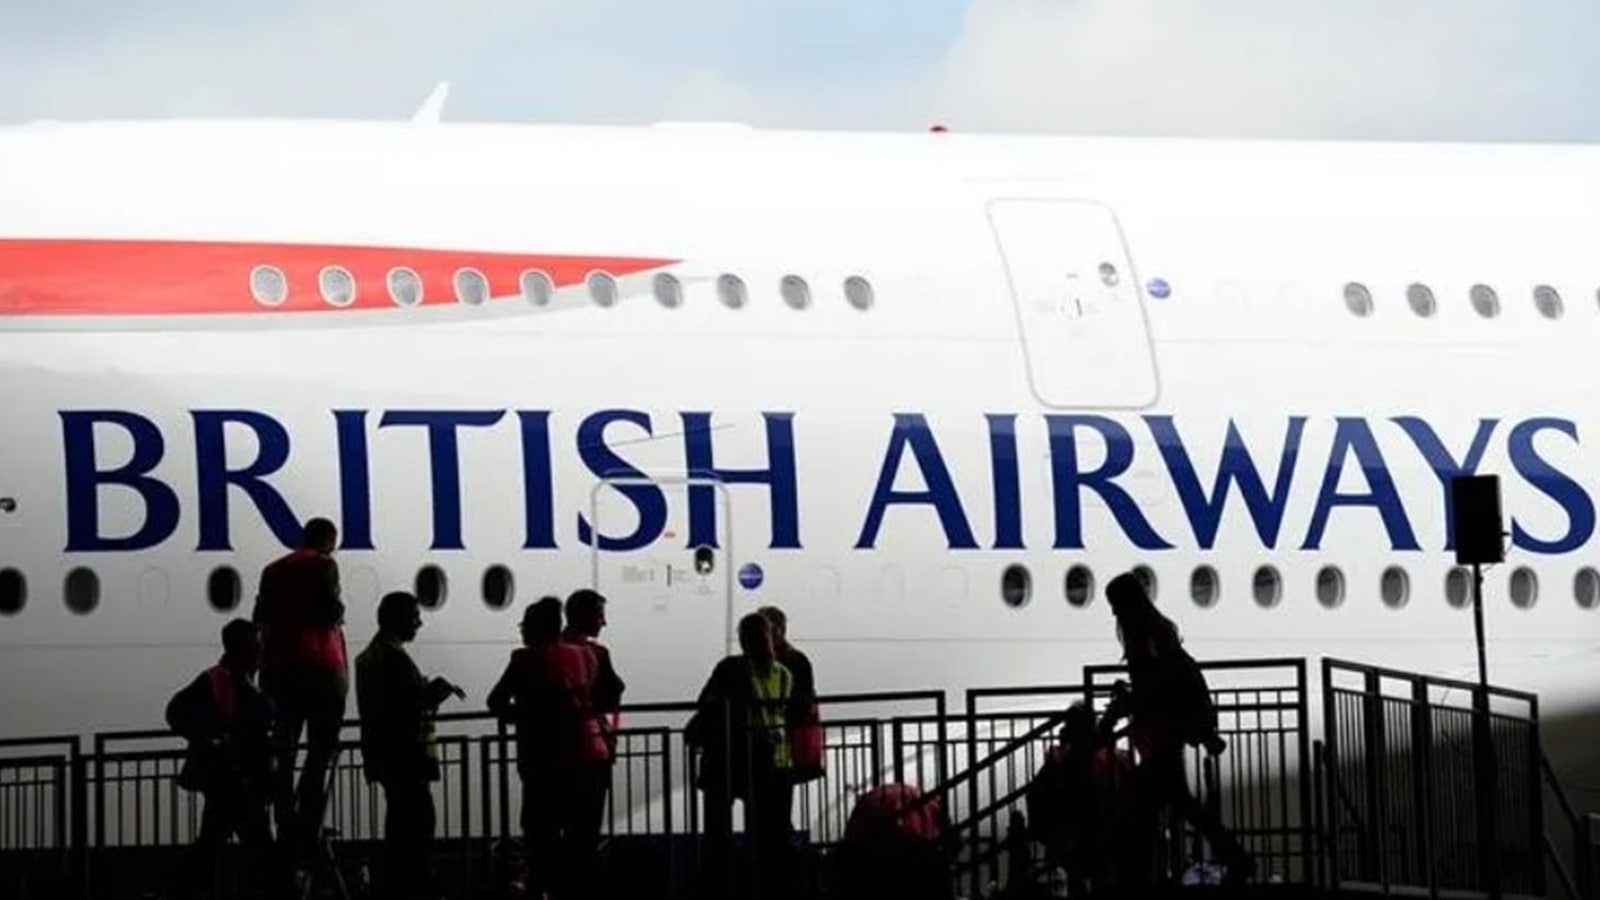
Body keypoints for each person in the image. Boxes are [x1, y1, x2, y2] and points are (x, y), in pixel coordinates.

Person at [1096, 571, 1255, 886]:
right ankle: (1235, 859)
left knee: (1147, 810)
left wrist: (1127, 702)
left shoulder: (1146, 637)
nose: (1113, 612)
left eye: (1115, 604)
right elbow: (1161, 685)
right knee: (1174, 805)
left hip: (1162, 735)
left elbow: (1156, 690)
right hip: (1165, 734)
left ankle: (1138, 879)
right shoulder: (1157, 634)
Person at [488, 596, 608, 900]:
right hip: (589, 757)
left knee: (541, 838)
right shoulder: (586, 655)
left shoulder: (524, 660)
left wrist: (521, 716)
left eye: (524, 626)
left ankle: (542, 891)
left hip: (544, 761)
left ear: (534, 629)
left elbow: (496, 700)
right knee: (582, 842)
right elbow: (599, 696)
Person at [355, 591, 464, 900]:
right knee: (418, 824)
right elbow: (405, 706)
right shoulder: (393, 658)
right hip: (407, 756)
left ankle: (400, 884)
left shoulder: (371, 656)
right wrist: (433, 694)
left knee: (401, 824)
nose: (419, 623)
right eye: (414, 616)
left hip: (385, 754)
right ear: (397, 618)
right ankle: (415, 885)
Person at [166, 618, 285, 899]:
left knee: (212, 843)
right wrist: (214, 738)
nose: (260, 650)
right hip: (235, 779)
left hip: (233, 779)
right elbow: (176, 711)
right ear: (243, 648)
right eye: (256, 644)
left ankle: (190, 889)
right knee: (257, 847)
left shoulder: (232, 680)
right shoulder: (221, 680)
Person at [251, 517, 347, 861]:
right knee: (320, 752)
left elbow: (259, 616)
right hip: (320, 666)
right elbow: (330, 610)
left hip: (276, 667)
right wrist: (338, 612)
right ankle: (308, 822)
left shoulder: (272, 569)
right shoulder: (324, 564)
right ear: (329, 541)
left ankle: (284, 818)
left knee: (284, 749)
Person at [689, 613, 799, 900]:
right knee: (764, 831)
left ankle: (720, 883)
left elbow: (706, 703)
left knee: (718, 829)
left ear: (743, 640)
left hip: (727, 757)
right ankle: (764, 883)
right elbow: (790, 713)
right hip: (770, 758)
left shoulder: (730, 668)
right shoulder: (783, 673)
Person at [757, 606, 824, 786]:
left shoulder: (790, 661)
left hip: (779, 741)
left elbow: (802, 702)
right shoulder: (794, 659)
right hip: (782, 743)